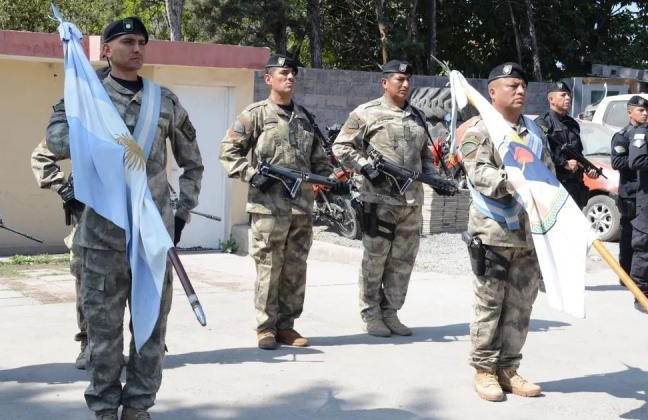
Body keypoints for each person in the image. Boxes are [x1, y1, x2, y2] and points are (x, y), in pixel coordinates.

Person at [45, 17, 203, 420]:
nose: (136, 48)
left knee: (151, 330)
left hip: (152, 234)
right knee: (103, 332)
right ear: (106, 50)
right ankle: (102, 406)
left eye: (141, 42)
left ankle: (137, 405)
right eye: (127, 41)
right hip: (101, 235)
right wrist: (92, 124)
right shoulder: (84, 95)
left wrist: (181, 213)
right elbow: (58, 143)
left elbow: (193, 162)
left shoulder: (163, 100)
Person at [220, 53, 341, 350]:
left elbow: (319, 160)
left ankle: (287, 326)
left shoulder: (305, 118)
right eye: (284, 72)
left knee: (295, 269)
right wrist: (251, 174)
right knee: (268, 268)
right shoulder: (255, 115)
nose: (290, 78)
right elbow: (228, 152)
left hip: (301, 209)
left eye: (293, 73)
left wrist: (326, 179)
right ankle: (266, 328)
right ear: (268, 78)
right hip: (268, 209)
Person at [459, 62, 551, 401]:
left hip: (529, 235)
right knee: (490, 304)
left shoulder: (535, 132)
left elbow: (549, 176)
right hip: (493, 232)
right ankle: (484, 370)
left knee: (521, 305)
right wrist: (511, 180)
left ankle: (509, 368)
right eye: (512, 85)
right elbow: (478, 173)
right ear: (492, 92)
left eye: (523, 85)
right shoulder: (480, 130)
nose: (521, 90)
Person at [332, 59, 439, 337]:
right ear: (385, 83)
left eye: (408, 80)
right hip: (378, 200)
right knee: (376, 258)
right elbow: (341, 146)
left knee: (403, 261)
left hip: (411, 202)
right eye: (398, 80)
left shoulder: (417, 116)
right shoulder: (365, 113)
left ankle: (391, 312)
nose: (404, 84)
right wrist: (365, 166)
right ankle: (371, 314)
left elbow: (425, 154)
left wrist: (436, 179)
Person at [30, 139, 87, 368]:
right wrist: (63, 189)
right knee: (88, 282)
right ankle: (88, 345)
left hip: (130, 218)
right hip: (88, 221)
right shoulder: (82, 119)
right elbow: (40, 156)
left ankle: (135, 348)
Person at [535, 81, 598, 208]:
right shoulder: (543, 123)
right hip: (555, 187)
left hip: (575, 186)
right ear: (551, 99)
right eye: (563, 95)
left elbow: (578, 154)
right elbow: (539, 154)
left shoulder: (573, 124)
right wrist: (564, 163)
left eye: (569, 95)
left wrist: (588, 169)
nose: (568, 98)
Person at [611, 96, 647, 277]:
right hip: (630, 192)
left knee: (642, 237)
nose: (645, 113)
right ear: (629, 112)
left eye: (646, 110)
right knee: (629, 236)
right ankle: (625, 275)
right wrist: (636, 161)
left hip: (643, 192)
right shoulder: (623, 135)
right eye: (641, 110)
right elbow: (616, 161)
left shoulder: (645, 134)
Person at [625, 95, 648, 313]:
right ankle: (640, 294)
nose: (645, 113)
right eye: (641, 110)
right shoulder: (641, 133)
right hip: (646, 200)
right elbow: (636, 161)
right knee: (643, 247)